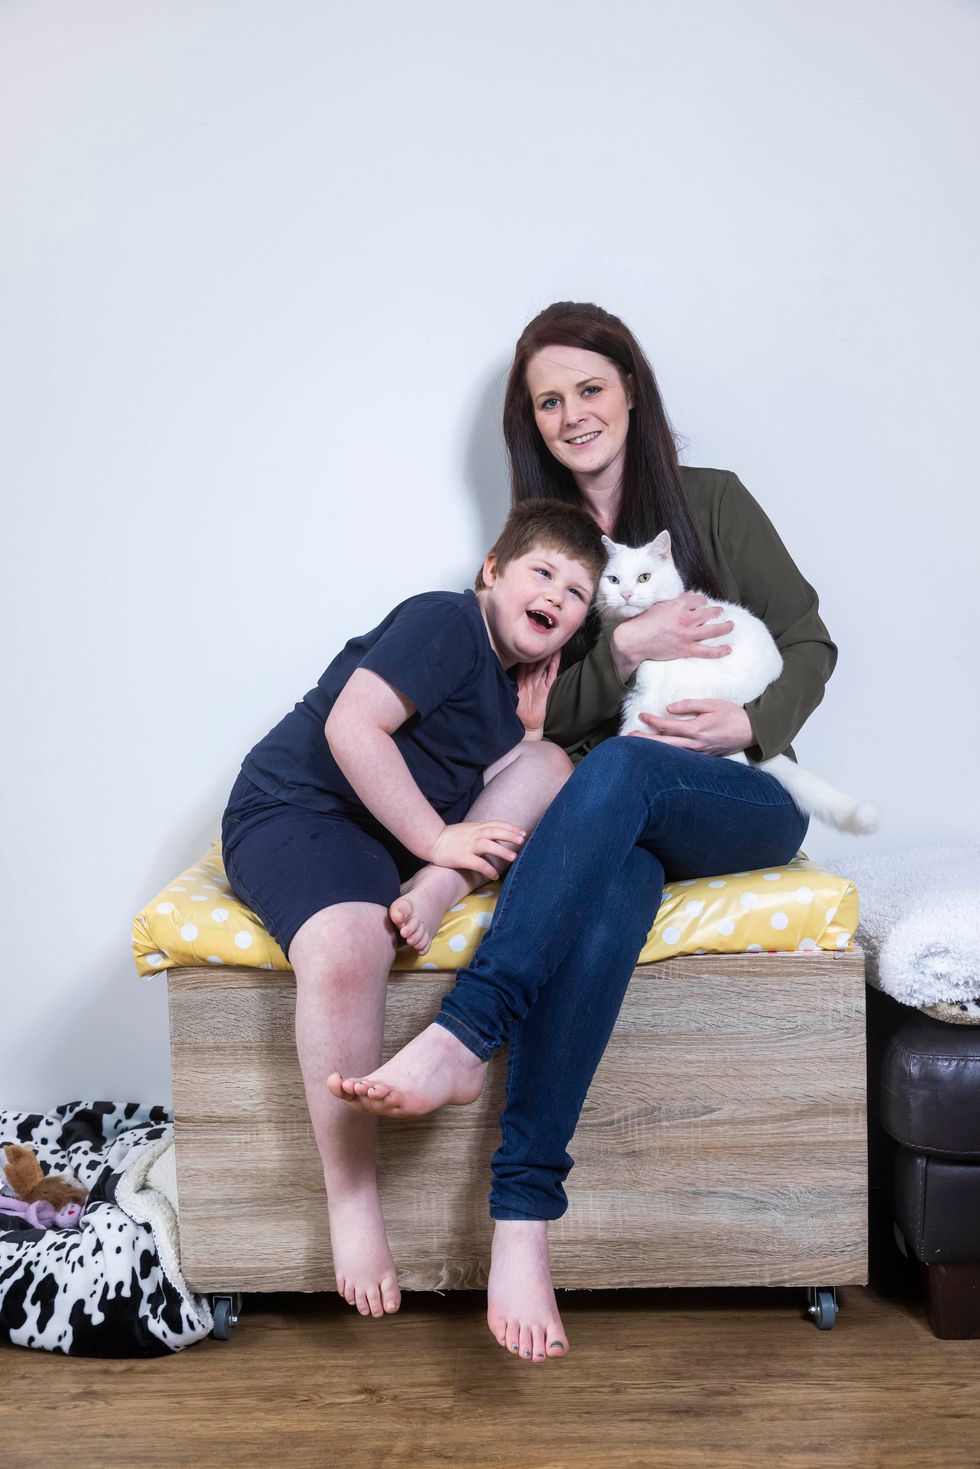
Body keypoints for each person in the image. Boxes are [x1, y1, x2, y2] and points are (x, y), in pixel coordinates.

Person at [330, 301, 838, 1363]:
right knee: (611, 875)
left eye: (588, 388)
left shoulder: (713, 504)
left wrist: (752, 718)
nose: (571, 414)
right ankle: (522, 1216)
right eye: (548, 401)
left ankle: (464, 1034)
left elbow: (806, 640)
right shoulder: (545, 548)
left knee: (615, 769)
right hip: (610, 816)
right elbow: (520, 718)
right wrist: (626, 646)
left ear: (629, 391)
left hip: (740, 794)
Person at [220, 499, 607, 1320]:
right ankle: (352, 1196)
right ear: (491, 573)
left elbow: (490, 778)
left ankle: (438, 888)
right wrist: (436, 837)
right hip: (300, 808)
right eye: (543, 572)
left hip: (389, 842)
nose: (558, 596)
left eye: (577, 594)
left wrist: (517, 735)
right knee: (350, 940)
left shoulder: (514, 689)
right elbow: (354, 727)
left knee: (549, 762)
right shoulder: (445, 622)